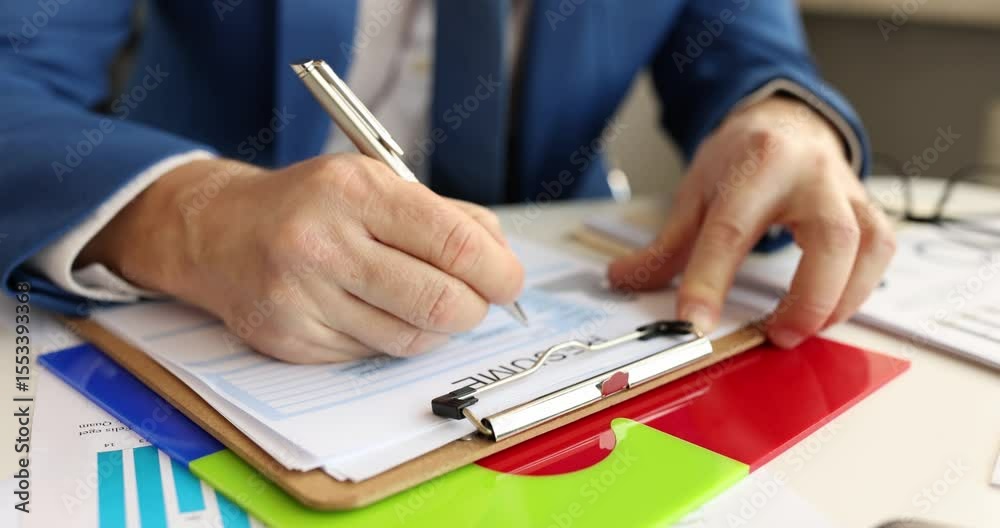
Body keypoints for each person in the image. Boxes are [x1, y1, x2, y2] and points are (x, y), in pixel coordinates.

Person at [0, 0, 894, 363]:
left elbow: (751, 54)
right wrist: (188, 216)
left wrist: (785, 118)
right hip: (190, 321)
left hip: (563, 290)